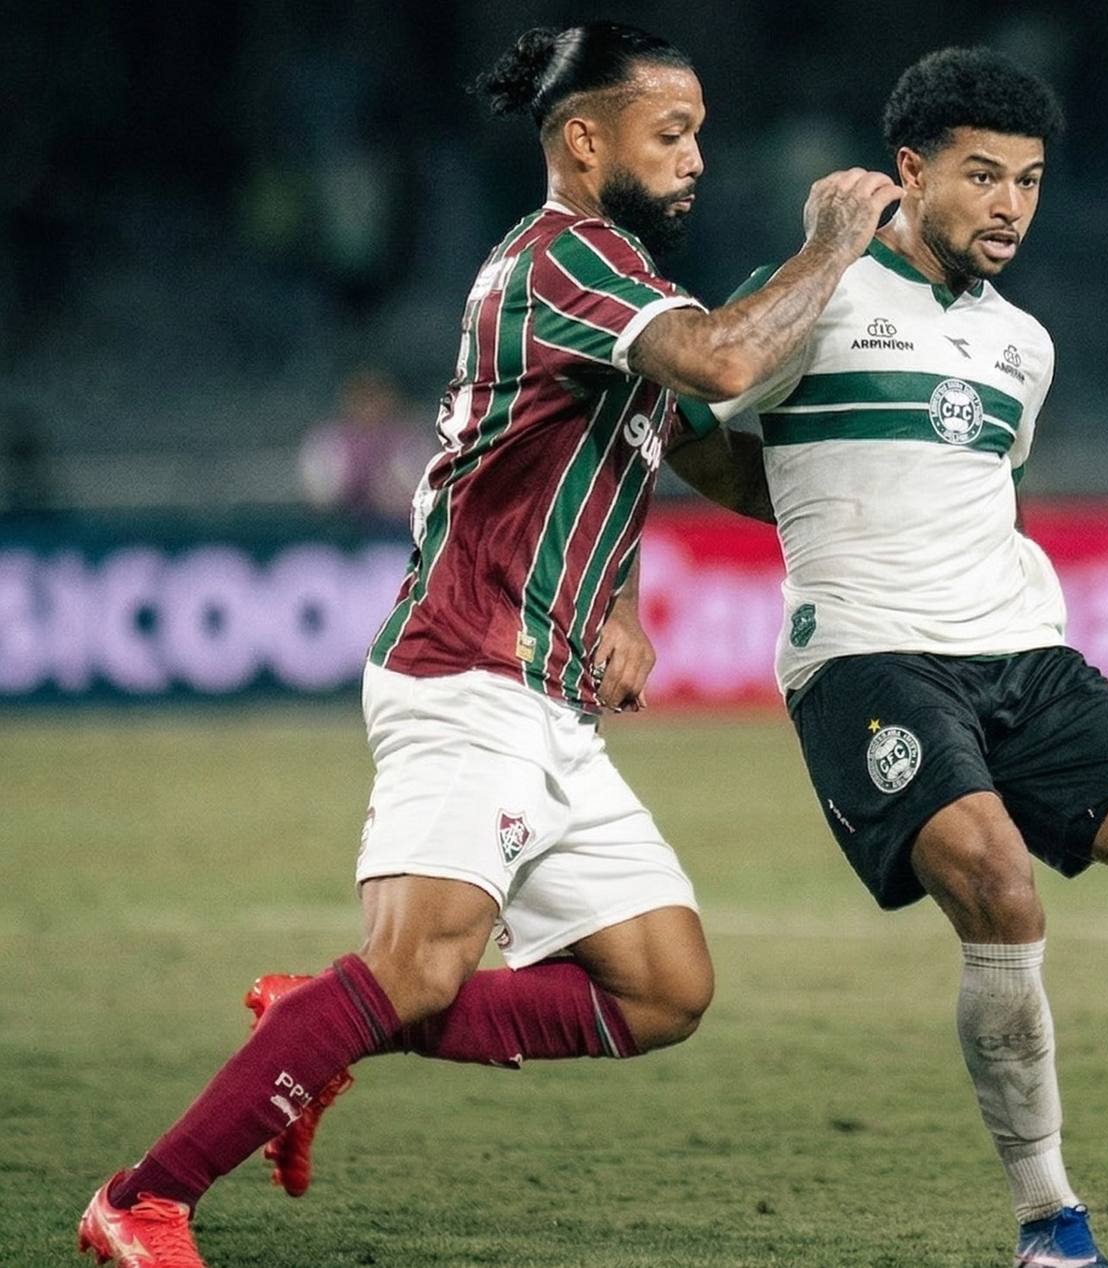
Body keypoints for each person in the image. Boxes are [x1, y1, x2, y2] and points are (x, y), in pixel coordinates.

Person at [78, 21, 899, 1268]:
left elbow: (686, 452)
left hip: (552, 694)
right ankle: (143, 1195)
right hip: (469, 670)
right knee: (415, 965)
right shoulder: (561, 260)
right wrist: (833, 239)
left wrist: (631, 589)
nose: (694, 160)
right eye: (670, 133)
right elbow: (728, 355)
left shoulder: (620, 279)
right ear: (583, 139)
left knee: (663, 985)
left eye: (699, 136)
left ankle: (316, 1024)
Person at [679, 47, 1108, 1268]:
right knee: (995, 884)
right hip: (865, 655)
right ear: (909, 172)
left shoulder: (1022, 344)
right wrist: (806, 501)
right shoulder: (814, 291)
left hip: (1020, 648)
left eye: (1028, 180)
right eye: (982, 176)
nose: (1010, 206)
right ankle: (1049, 1218)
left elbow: (986, 490)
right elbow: (689, 427)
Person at [296, 366, 434, 528]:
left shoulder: (412, 442)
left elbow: (422, 495)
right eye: (363, 399)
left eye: (377, 398)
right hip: (335, 531)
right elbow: (319, 497)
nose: (370, 407)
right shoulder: (328, 441)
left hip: (399, 532)